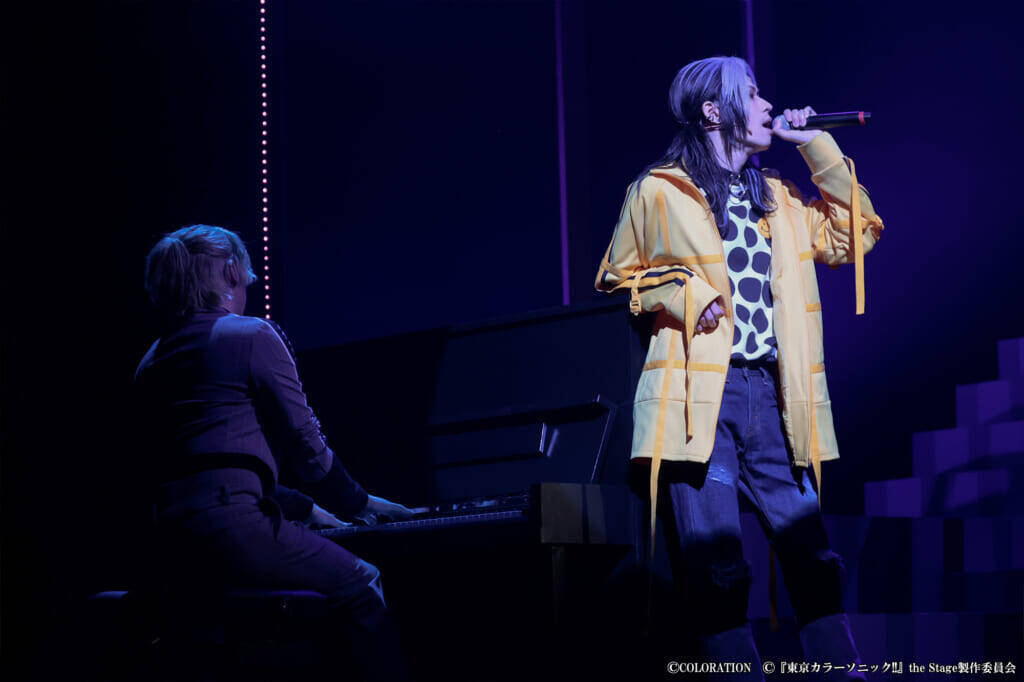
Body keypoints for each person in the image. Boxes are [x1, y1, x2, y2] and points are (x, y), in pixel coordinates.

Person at [595, 57, 884, 680]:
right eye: (750, 94)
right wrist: (683, 293)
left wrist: (816, 146)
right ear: (713, 111)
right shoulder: (659, 190)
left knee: (812, 553)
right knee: (717, 567)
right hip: (699, 399)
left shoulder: (776, 195)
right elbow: (618, 277)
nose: (765, 105)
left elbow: (855, 238)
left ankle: (842, 671)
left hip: (773, 396)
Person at [135, 224, 413, 681]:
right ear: (231, 271)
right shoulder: (250, 335)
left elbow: (200, 465)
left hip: (167, 545)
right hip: (235, 534)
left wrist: (306, 509)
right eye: (245, 280)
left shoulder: (150, 362)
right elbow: (307, 447)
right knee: (363, 582)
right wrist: (359, 503)